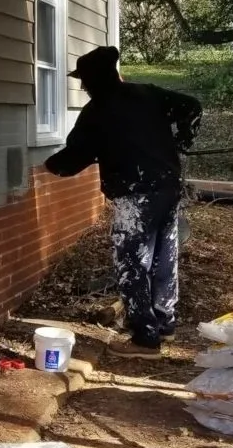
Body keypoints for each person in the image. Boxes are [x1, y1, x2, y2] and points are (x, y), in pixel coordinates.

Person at [45, 46, 202, 353]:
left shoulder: (98, 111)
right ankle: (164, 324)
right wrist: (182, 141)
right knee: (162, 257)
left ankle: (145, 339)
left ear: (93, 80)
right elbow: (192, 107)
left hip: (135, 195)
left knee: (131, 263)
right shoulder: (147, 93)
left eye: (83, 81)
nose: (81, 86)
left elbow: (75, 157)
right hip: (167, 187)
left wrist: (51, 166)